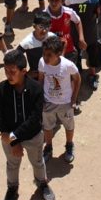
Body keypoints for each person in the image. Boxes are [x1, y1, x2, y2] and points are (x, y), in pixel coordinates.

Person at [0, 50, 55, 200]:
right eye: (6, 70)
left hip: (32, 136)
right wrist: (13, 141)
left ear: (24, 71)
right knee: (12, 164)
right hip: (9, 138)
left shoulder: (36, 89)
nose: (8, 75)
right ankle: (12, 189)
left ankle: (42, 183)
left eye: (12, 72)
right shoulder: (1, 89)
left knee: (38, 162)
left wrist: (14, 137)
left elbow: (34, 119)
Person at [39, 36, 81, 164]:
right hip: (48, 102)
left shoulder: (68, 65)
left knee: (69, 126)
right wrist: (40, 98)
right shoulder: (42, 63)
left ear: (58, 54)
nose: (45, 57)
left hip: (65, 103)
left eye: (49, 55)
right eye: (44, 54)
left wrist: (73, 99)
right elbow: (41, 80)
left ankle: (69, 145)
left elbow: (77, 79)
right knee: (47, 127)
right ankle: (48, 147)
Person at [44, 0, 86, 70]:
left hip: (69, 50)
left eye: (57, 0)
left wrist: (81, 38)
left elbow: (78, 21)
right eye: (51, 0)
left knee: (68, 72)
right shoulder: (44, 15)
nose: (53, 3)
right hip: (52, 54)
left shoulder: (69, 12)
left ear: (63, 1)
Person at [17, 12, 56, 78]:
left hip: (52, 74)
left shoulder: (53, 38)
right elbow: (15, 57)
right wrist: (25, 74)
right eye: (41, 27)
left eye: (47, 27)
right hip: (36, 76)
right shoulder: (27, 42)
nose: (44, 31)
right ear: (34, 26)